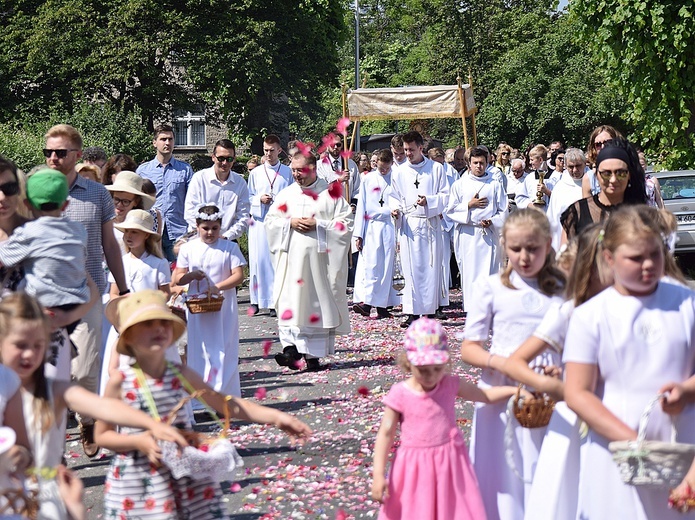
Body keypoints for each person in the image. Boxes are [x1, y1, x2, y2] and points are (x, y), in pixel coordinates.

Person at [95, 289, 312, 519]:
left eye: (163, 322)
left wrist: (276, 417)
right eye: (147, 324)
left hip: (184, 473)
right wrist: (138, 441)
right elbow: (102, 435)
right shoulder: (120, 382)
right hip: (140, 480)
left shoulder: (179, 373)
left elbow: (224, 403)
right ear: (128, 337)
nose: (158, 328)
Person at [0, 292, 186, 520]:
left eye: (38, 345)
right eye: (20, 345)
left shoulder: (53, 389)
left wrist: (151, 424)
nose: (30, 353)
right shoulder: (6, 387)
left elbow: (104, 407)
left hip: (43, 496)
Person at [564, 205, 695, 520]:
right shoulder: (590, 315)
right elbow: (577, 393)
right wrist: (633, 444)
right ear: (609, 258)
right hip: (616, 450)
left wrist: (687, 390)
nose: (649, 264)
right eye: (635, 258)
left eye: (655, 254)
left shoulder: (687, 302)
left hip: (681, 447)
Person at [460, 208, 566, 520]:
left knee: (546, 463)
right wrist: (502, 363)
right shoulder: (492, 286)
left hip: (550, 390)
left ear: (548, 245)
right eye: (516, 248)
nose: (524, 257)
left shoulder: (563, 288)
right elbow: (470, 347)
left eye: (532, 248)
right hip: (499, 389)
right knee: (503, 469)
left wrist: (561, 371)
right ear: (504, 245)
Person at [372, 317, 523, 520]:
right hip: (414, 467)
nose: (431, 375)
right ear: (408, 363)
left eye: (437, 368)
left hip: (449, 463)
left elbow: (484, 395)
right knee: (417, 510)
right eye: (423, 370)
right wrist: (378, 474)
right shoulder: (401, 394)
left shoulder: (450, 384)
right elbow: (386, 433)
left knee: (450, 510)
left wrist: (514, 390)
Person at [44, 124, 128, 457]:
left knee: (83, 369)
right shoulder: (34, 190)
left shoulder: (97, 195)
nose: (53, 157)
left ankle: (87, 418)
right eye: (48, 152)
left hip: (88, 292)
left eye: (60, 152)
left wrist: (124, 286)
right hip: (44, 296)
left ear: (77, 155)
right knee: (50, 375)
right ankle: (54, 447)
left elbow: (109, 243)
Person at [265, 151, 353, 371]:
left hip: (319, 266)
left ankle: (313, 356)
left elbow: (345, 225)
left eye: (300, 170)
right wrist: (289, 223)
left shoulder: (330, 195)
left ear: (313, 168)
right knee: (290, 302)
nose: (296, 175)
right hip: (291, 264)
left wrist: (320, 226)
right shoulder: (286, 195)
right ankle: (291, 350)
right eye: (293, 170)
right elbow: (271, 223)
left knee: (315, 304)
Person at [0, 169, 92, 380]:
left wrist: (65, 317)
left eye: (9, 190)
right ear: (65, 205)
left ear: (26, 203)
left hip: (43, 327)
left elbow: (93, 287)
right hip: (68, 306)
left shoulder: (28, 234)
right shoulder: (76, 230)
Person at [173, 205, 246, 397]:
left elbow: (238, 275)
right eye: (205, 228)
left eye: (214, 228)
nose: (210, 232)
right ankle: (203, 396)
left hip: (223, 306)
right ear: (197, 226)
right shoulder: (189, 248)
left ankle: (225, 395)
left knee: (225, 348)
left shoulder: (229, 247)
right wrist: (191, 276)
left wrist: (218, 286)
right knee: (200, 349)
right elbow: (177, 277)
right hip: (198, 307)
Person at [100, 209, 173, 396]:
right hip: (125, 322)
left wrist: (148, 305)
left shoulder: (159, 263)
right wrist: (123, 309)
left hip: (151, 320)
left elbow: (165, 293)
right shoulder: (120, 262)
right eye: (126, 232)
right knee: (122, 366)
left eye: (135, 232)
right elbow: (113, 293)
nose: (129, 236)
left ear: (146, 235)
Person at [388, 131, 449, 328]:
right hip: (409, 225)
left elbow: (445, 195)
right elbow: (394, 196)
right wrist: (395, 210)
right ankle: (412, 312)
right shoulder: (398, 171)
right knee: (410, 268)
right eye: (405, 150)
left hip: (430, 224)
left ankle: (430, 311)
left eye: (411, 150)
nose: (408, 154)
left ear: (421, 148)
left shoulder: (437, 169)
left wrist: (428, 201)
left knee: (430, 269)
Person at [446, 146, 507, 313]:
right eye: (475, 163)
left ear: (487, 163)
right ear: (469, 164)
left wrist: (492, 221)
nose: (479, 166)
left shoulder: (495, 185)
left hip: (488, 235)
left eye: (482, 163)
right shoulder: (460, 185)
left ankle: (489, 311)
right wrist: (468, 206)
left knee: (489, 274)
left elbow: (503, 211)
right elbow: (449, 211)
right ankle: (472, 312)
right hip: (468, 234)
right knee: (470, 274)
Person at [561, 137, 647, 243]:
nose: (613, 180)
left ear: (629, 175)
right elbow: (565, 256)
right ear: (597, 175)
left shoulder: (641, 213)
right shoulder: (576, 212)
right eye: (606, 173)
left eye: (620, 173)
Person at [247, 135, 293, 317]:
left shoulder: (287, 172)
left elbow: (292, 195)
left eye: (272, 150)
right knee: (258, 262)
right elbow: (248, 197)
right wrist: (259, 199)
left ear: (279, 150)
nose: (268, 154)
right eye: (266, 150)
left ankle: (275, 301)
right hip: (259, 222)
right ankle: (255, 301)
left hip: (279, 223)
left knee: (276, 262)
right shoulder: (255, 173)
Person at [352, 148, 399, 319]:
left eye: (386, 168)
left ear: (391, 164)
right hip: (371, 226)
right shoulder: (368, 178)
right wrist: (359, 234)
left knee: (387, 266)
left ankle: (382, 305)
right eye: (380, 168)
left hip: (390, 225)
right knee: (371, 266)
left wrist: (394, 211)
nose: (383, 171)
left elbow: (401, 201)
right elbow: (362, 206)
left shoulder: (396, 178)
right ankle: (368, 302)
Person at [137, 124, 194, 261]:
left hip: (177, 231)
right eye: (163, 139)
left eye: (170, 139)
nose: (167, 143)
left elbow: (192, 200)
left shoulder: (185, 170)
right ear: (154, 143)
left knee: (178, 275)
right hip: (150, 231)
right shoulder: (143, 171)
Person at [183, 139, 250, 241]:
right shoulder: (199, 179)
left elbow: (243, 217)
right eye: (221, 158)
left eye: (229, 159)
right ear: (213, 157)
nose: (225, 162)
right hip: (199, 239)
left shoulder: (240, 183)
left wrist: (226, 236)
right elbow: (190, 211)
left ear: (234, 159)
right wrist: (207, 233)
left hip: (227, 240)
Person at [105, 170, 156, 254]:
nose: (119, 205)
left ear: (136, 202)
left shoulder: (142, 225)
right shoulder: (102, 222)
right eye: (116, 200)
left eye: (125, 201)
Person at [546, 148, 587, 251]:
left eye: (578, 166)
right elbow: (552, 219)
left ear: (584, 163)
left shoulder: (593, 183)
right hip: (563, 239)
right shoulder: (560, 188)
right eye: (571, 167)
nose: (575, 170)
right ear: (565, 166)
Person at [581, 124, 623, 197]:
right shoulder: (589, 178)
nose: (603, 147)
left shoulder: (627, 172)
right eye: (598, 144)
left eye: (608, 142)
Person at [514, 144, 552, 210]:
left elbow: (562, 198)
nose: (530, 162)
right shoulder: (530, 178)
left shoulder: (555, 176)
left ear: (540, 160)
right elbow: (520, 197)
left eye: (532, 160)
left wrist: (547, 192)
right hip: (534, 215)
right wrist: (530, 205)